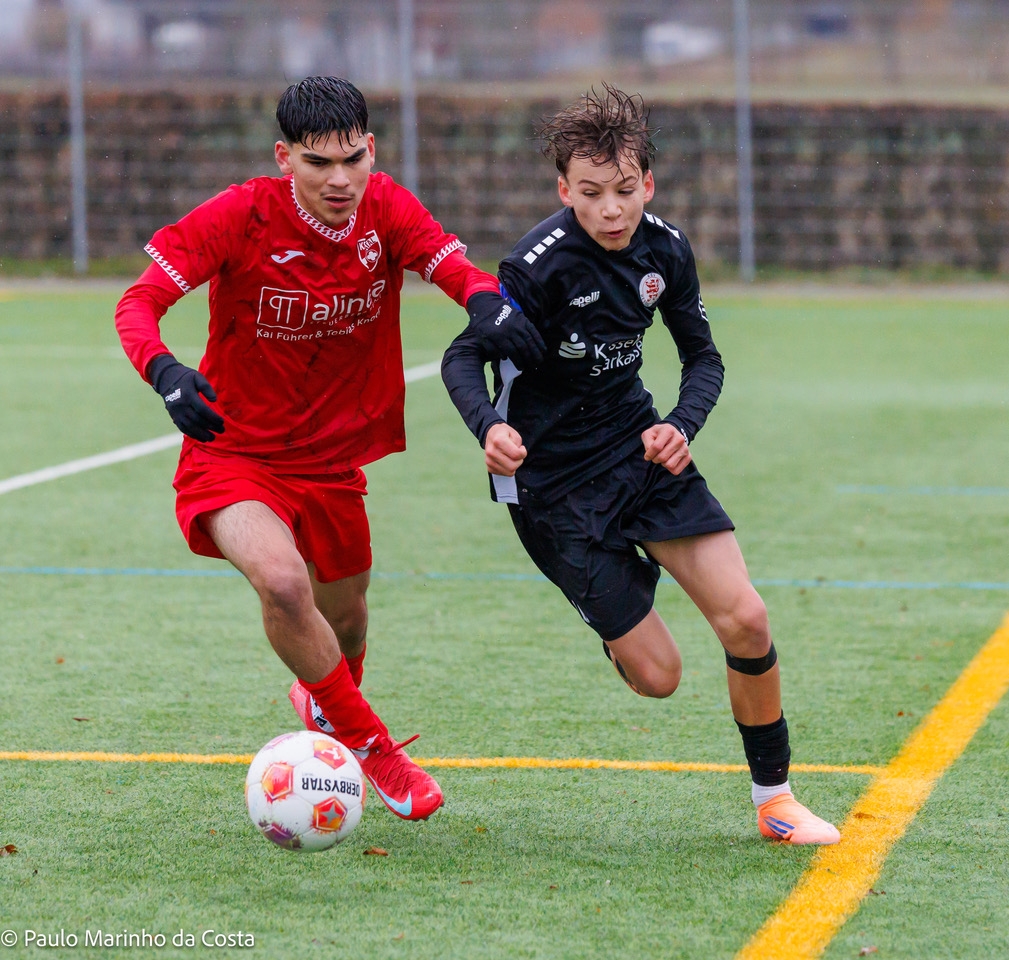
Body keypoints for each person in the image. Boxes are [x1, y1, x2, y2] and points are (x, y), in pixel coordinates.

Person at [115, 76, 544, 822]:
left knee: (346, 622)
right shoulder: (241, 214)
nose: (340, 179)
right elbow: (138, 302)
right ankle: (374, 747)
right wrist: (165, 372)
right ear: (285, 158)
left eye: (352, 159)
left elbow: (452, 267)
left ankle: (323, 701)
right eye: (318, 163)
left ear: (370, 149)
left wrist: (485, 304)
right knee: (284, 585)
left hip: (331, 462)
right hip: (233, 455)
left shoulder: (388, 207)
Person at [442, 85, 840, 845]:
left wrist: (680, 426)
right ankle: (616, 614)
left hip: (637, 448)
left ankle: (775, 801)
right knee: (659, 678)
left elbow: (703, 358)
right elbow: (462, 357)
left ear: (647, 183)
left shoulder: (666, 250)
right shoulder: (536, 266)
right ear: (564, 191)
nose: (611, 210)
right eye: (591, 193)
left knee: (747, 619)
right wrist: (488, 427)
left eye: (624, 190)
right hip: (552, 487)